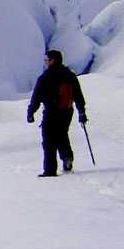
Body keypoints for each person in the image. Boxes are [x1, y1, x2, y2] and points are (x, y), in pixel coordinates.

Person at [27, 49, 87, 177]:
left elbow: (36, 97)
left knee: (49, 140)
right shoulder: (70, 75)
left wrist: (31, 112)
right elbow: (78, 96)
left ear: (52, 60)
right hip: (67, 111)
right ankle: (67, 157)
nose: (45, 62)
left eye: (46, 60)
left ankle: (50, 170)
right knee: (62, 134)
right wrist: (81, 112)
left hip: (51, 112)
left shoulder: (45, 77)